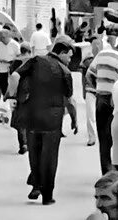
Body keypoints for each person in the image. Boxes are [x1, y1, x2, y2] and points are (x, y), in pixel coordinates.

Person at [15, 37, 79, 206]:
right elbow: (69, 100)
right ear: (62, 53)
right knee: (49, 157)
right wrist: (74, 119)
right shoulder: (64, 71)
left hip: (33, 115)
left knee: (34, 153)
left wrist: (12, 94)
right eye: (69, 56)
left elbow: (16, 75)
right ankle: (47, 195)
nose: (70, 60)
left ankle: (36, 184)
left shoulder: (36, 60)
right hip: (52, 120)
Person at [85, 34, 118, 169]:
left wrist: (98, 88)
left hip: (101, 98)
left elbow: (89, 74)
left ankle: (106, 171)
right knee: (117, 137)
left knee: (103, 138)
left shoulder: (102, 54)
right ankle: (117, 169)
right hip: (116, 100)